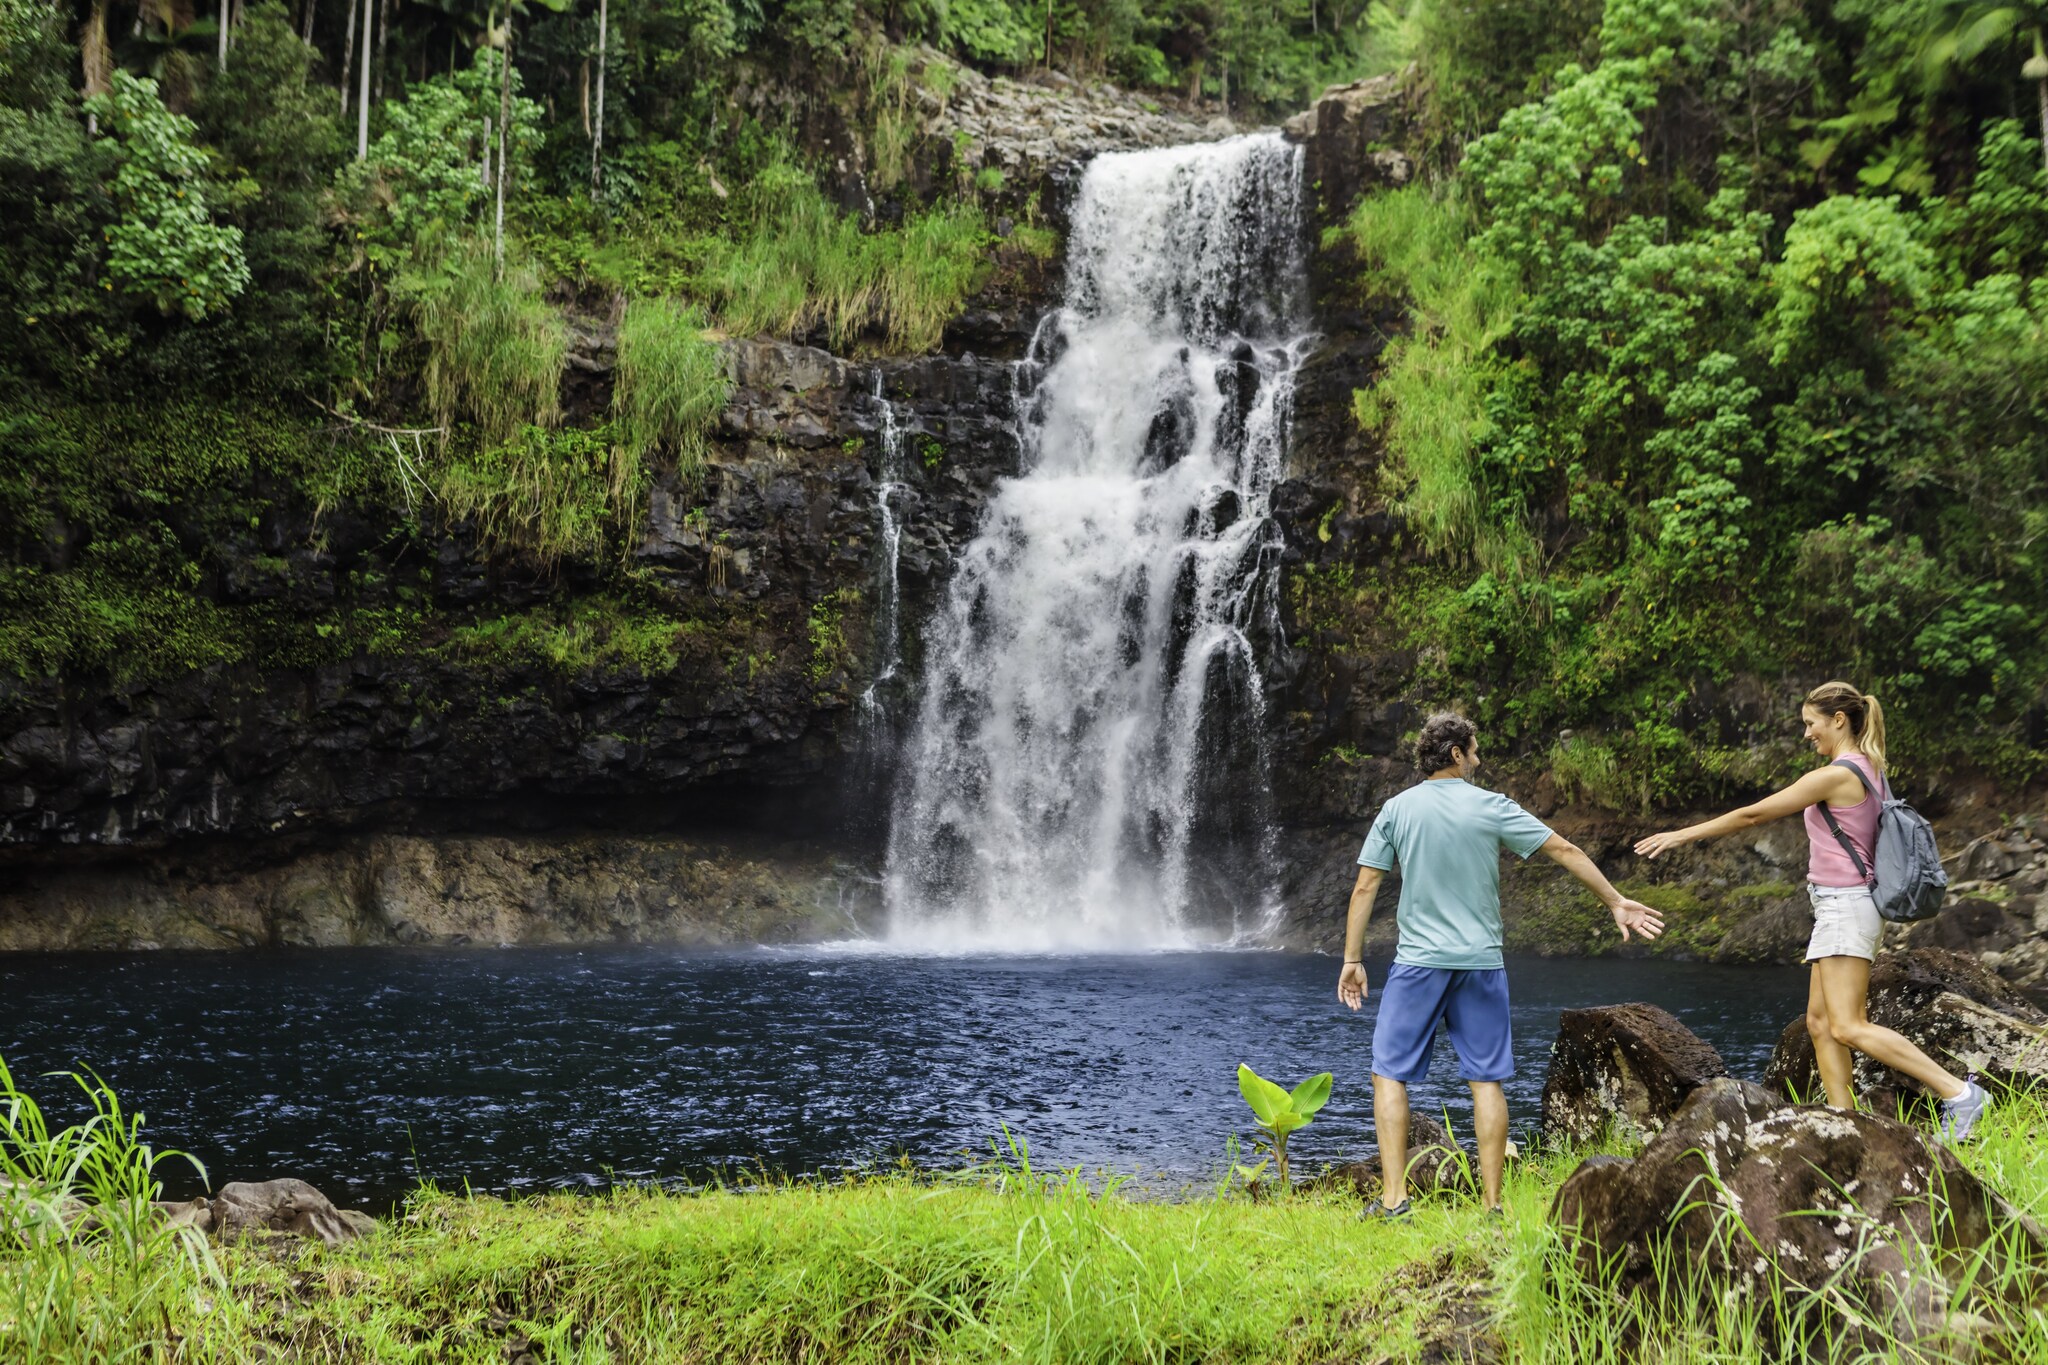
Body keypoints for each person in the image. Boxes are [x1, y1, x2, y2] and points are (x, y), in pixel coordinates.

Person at [1338, 712, 1665, 1220]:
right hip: (1481, 964)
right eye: (1475, 750)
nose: (1479, 759)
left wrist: (1353, 959)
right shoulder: (1492, 807)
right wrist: (1615, 901)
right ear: (1455, 754)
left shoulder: (1397, 810)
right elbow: (1563, 847)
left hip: (1419, 964)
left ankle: (1394, 1200)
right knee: (1486, 1082)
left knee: (1388, 1075)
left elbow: (1365, 886)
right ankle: (1492, 1208)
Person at [1634, 680, 1991, 1140]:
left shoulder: (1839, 774)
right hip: (1836, 906)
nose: (1807, 734)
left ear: (1838, 720)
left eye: (1811, 724)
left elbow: (1753, 815)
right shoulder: (1870, 767)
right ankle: (1848, 1125)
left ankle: (1960, 1094)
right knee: (1820, 1024)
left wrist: (1681, 835)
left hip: (1847, 906)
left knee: (1847, 1024)